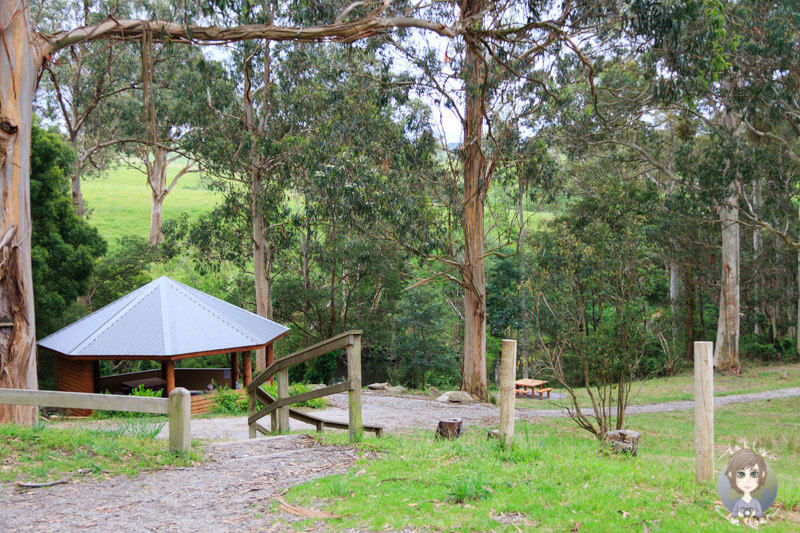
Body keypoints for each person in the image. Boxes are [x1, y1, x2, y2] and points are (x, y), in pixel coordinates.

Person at [725, 449, 767, 526]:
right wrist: (739, 514)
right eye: (741, 474)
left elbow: (759, 513)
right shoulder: (738, 502)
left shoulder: (755, 502)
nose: (747, 480)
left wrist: (754, 513)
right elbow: (734, 513)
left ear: (762, 475)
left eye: (754, 474)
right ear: (731, 475)